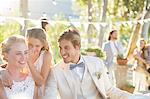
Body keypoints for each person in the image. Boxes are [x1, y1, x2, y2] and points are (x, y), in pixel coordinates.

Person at [42, 29, 149, 99]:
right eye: (60, 48)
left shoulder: (97, 63)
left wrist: (136, 98)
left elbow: (109, 90)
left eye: (66, 48)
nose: (62, 52)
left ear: (77, 47)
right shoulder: (55, 72)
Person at [25, 27, 53, 99]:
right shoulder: (22, 53)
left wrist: (29, 61)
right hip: (26, 93)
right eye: (30, 45)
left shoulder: (46, 56)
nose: (33, 48)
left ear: (43, 45)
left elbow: (40, 82)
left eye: (37, 46)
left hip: (41, 95)